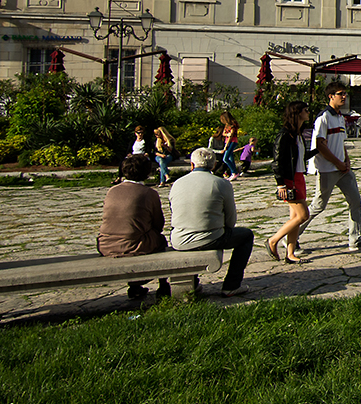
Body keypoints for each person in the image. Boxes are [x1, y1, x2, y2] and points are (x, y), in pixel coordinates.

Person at [170, 147, 252, 296]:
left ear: (192, 165)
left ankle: (193, 283)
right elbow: (230, 221)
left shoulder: (177, 183)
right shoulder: (221, 184)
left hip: (179, 239)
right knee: (246, 235)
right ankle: (231, 285)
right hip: (210, 238)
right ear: (214, 165)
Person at [97, 154, 168, 300]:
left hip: (105, 244)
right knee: (160, 241)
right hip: (134, 244)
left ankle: (135, 287)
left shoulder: (112, 191)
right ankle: (163, 284)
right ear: (147, 172)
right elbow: (158, 224)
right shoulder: (149, 193)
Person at [308, 81, 361, 251]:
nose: (344, 97)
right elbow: (320, 145)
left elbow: (341, 142)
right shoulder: (324, 117)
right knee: (318, 206)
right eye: (340, 93)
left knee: (355, 201)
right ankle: (291, 236)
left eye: (345, 93)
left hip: (343, 169)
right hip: (327, 169)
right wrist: (337, 163)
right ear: (331, 96)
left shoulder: (340, 117)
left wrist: (346, 161)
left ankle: (355, 238)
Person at [268, 101, 312, 264]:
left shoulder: (298, 134)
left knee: (295, 217)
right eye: (305, 110)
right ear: (297, 113)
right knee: (303, 215)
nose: (308, 112)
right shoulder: (285, 135)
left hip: (298, 177)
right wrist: (280, 184)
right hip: (289, 180)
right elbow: (277, 161)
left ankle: (290, 254)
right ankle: (273, 240)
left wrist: (318, 150)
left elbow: (299, 157)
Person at [216, 110, 241, 180]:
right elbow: (224, 133)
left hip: (232, 141)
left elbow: (231, 135)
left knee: (225, 158)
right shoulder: (227, 125)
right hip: (227, 141)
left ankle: (234, 172)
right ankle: (233, 173)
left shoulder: (233, 125)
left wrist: (226, 145)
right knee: (231, 158)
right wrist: (227, 134)